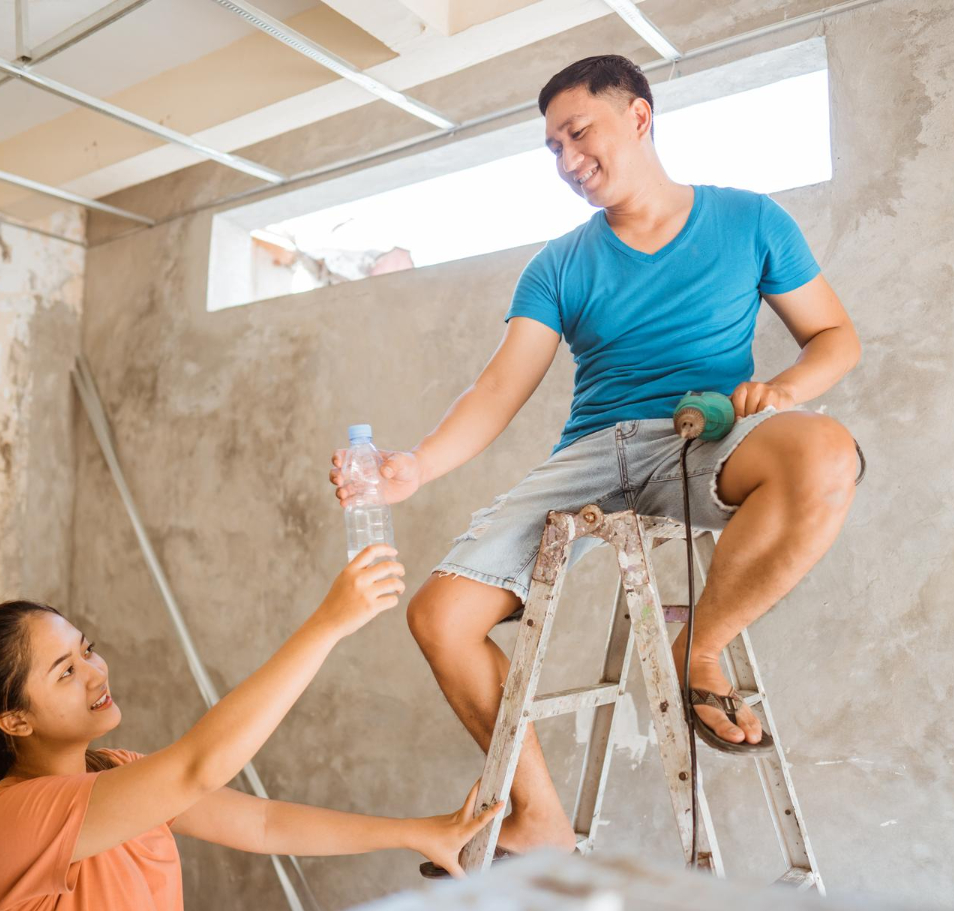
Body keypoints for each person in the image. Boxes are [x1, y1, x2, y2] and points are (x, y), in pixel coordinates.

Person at [330, 55, 862, 869]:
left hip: (707, 436)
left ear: (639, 116)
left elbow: (836, 337)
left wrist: (783, 390)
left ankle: (703, 647)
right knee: (439, 617)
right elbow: (500, 386)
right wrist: (417, 466)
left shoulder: (750, 221)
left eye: (579, 133)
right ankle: (537, 818)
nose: (568, 161)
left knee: (828, 452)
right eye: (552, 148)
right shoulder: (559, 264)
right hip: (591, 456)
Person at [0, 545, 500, 911]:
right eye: (65, 671)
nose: (96, 671)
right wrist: (327, 624)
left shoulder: (120, 774)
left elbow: (267, 824)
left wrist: (419, 832)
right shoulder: (5, 819)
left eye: (87, 649)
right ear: (14, 720)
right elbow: (198, 765)